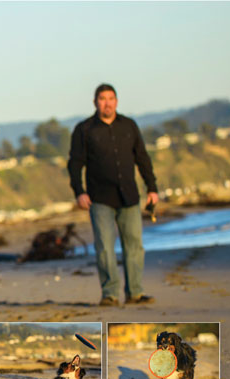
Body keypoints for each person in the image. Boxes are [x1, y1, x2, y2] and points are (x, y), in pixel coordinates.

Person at [68, 83, 158, 306]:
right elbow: (74, 164)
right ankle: (109, 294)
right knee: (105, 248)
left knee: (134, 245)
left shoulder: (128, 125)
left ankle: (135, 292)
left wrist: (152, 187)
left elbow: (142, 158)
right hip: (99, 199)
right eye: (102, 98)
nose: (107, 103)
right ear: (95, 102)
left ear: (116, 101)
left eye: (110, 98)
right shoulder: (84, 129)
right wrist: (79, 192)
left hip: (129, 196)